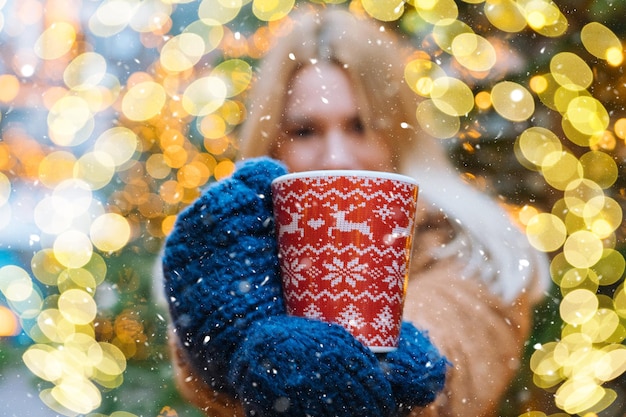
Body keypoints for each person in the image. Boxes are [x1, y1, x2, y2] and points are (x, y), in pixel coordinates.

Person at [162, 5, 551, 417]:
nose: (335, 157)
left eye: (361, 125)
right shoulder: (237, 259)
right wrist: (216, 358)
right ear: (273, 143)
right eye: (305, 131)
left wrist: (397, 374)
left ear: (397, 137)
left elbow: (456, 344)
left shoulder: (471, 252)